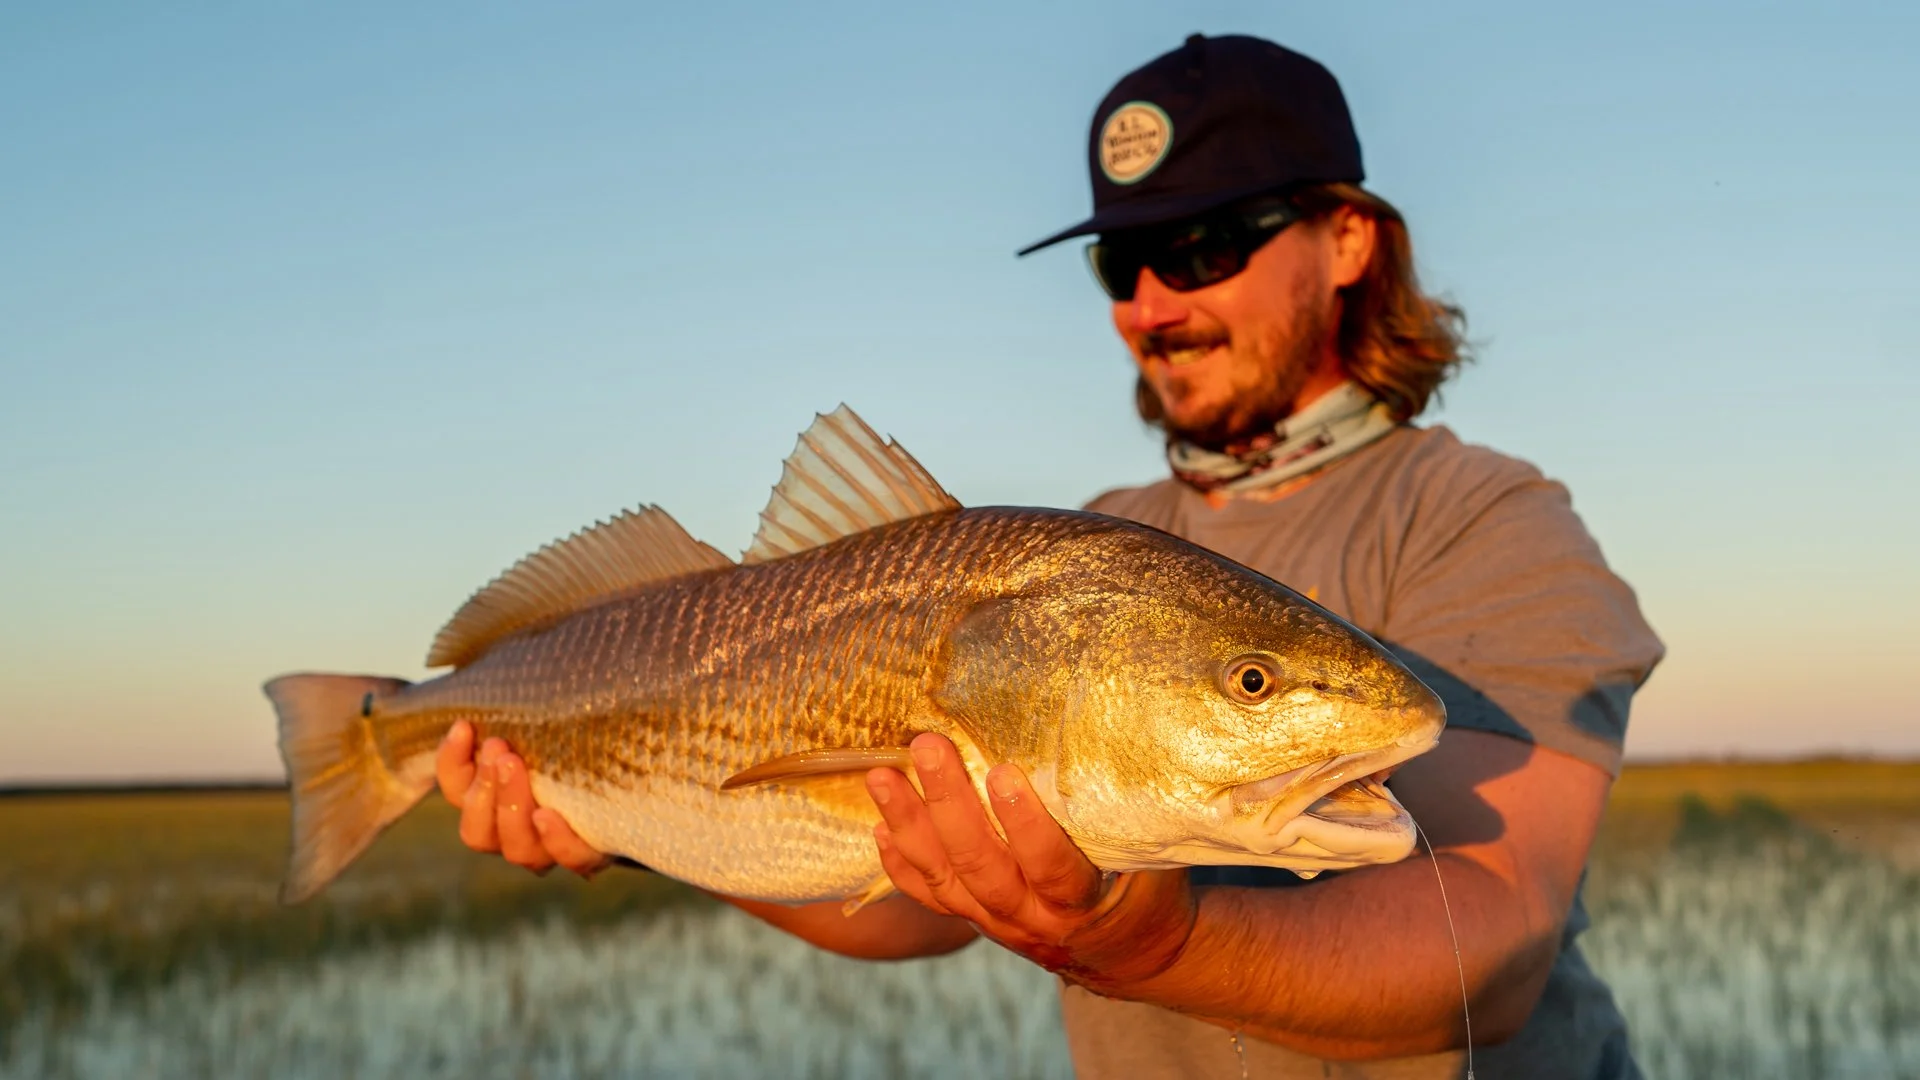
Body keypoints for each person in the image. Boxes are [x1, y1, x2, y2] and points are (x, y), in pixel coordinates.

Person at [435, 33, 1663, 1079]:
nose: (1150, 307)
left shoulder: (1483, 516)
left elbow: (1495, 933)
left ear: (1348, 240)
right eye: (1121, 262)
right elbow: (916, 909)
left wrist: (1152, 946)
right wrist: (637, 818)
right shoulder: (1089, 534)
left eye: (1204, 245)